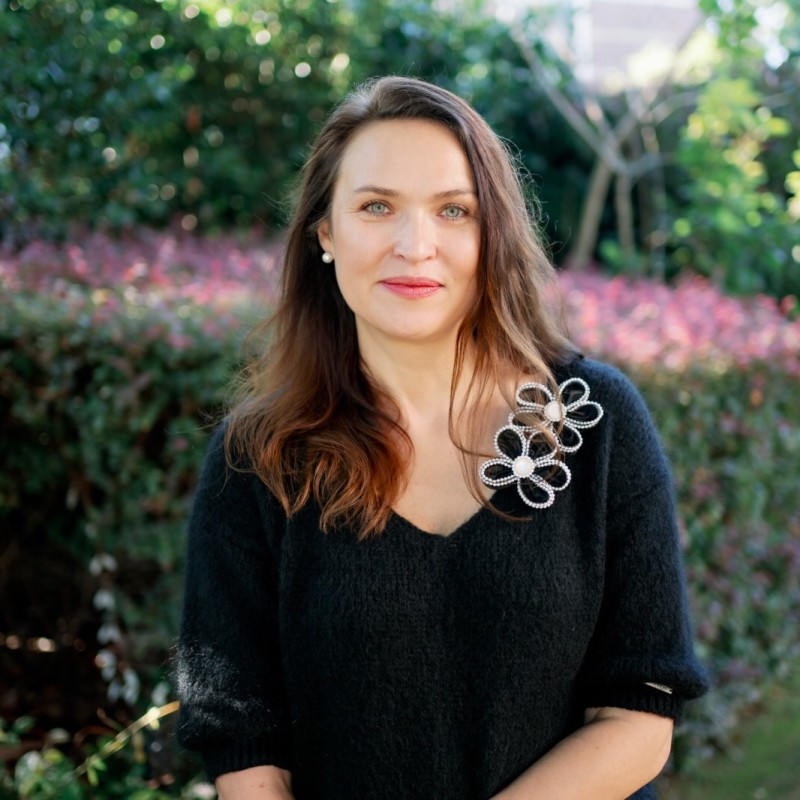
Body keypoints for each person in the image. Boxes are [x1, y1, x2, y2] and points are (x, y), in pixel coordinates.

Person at [176, 76, 709, 800]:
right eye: (376, 207)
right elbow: (240, 732)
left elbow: (641, 711)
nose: (414, 245)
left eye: (453, 210)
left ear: (492, 233)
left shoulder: (599, 423)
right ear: (324, 233)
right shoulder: (259, 458)